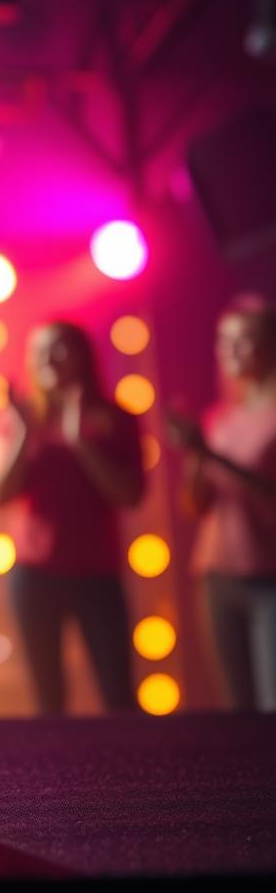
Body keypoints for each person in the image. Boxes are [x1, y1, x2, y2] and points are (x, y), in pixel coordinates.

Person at [0, 320, 144, 715]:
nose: (48, 359)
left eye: (58, 348)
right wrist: (23, 433)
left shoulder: (116, 418)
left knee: (118, 696)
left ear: (82, 356)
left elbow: (130, 494)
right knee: (48, 698)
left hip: (97, 572)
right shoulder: (18, 418)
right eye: (39, 351)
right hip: (35, 573)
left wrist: (79, 441)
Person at [167, 295, 276, 712]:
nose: (230, 351)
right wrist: (195, 453)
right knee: (237, 711)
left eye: (243, 341)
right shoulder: (220, 415)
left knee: (270, 711)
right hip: (217, 576)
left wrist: (210, 455)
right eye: (223, 341)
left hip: (268, 576)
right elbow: (195, 505)